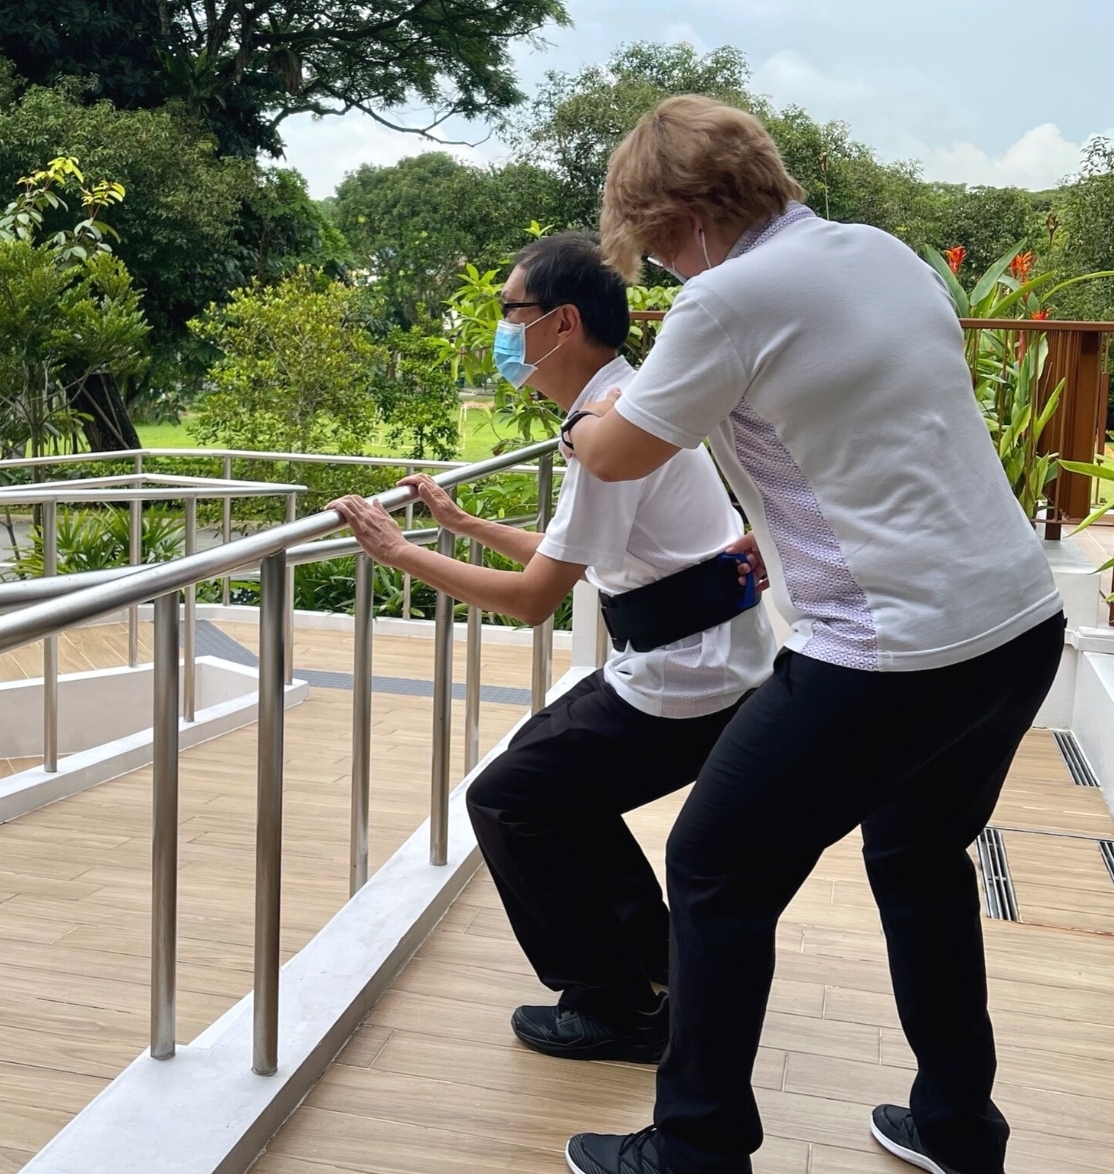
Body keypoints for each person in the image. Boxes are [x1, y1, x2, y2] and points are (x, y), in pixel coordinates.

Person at [554, 96, 1065, 1174]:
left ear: (684, 218)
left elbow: (619, 449)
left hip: (889, 652)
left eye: (656, 244)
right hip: (1013, 625)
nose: (661, 266)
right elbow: (865, 429)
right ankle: (960, 1134)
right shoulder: (876, 251)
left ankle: (697, 1152)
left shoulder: (726, 296)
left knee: (714, 866)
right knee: (920, 861)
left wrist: (578, 418)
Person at [330, 231, 779, 1065]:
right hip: (705, 660)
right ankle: (653, 958)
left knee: (509, 800)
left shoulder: (611, 430)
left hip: (685, 679)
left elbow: (535, 599)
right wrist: (463, 525)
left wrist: (398, 553)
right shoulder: (624, 409)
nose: (501, 329)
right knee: (549, 783)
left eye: (511, 311)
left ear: (562, 322)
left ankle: (614, 1005)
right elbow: (576, 554)